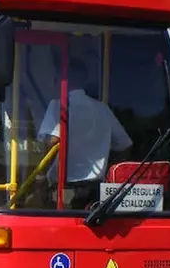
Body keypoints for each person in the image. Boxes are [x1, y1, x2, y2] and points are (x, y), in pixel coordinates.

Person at [36, 57, 131, 208]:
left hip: (64, 191)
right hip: (96, 191)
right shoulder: (103, 109)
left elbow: (53, 141)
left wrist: (40, 176)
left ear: (61, 80)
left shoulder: (58, 105)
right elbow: (124, 145)